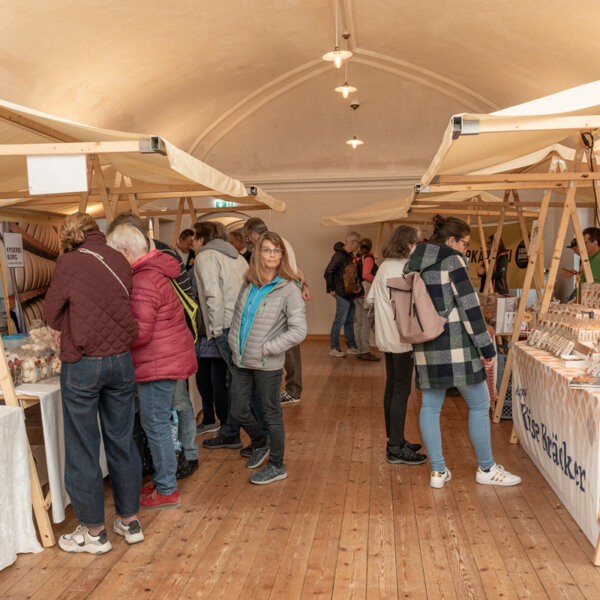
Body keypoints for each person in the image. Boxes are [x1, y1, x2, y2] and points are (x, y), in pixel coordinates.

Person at [45, 213, 143, 554]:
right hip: (121, 361)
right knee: (122, 441)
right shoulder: (118, 258)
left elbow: (50, 314)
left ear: (70, 236)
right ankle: (130, 523)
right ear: (97, 233)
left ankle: (94, 532)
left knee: (83, 447)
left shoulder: (69, 262)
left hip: (84, 363)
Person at [405, 215, 521, 489]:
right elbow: (470, 307)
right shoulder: (452, 261)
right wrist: (485, 346)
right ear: (451, 241)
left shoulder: (413, 261)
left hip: (424, 344)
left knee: (430, 407)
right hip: (456, 346)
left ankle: (437, 472)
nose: (466, 250)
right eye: (465, 244)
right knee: (480, 404)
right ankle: (486, 468)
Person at [107, 223, 197, 510]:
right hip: (164, 358)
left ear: (125, 251)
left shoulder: (143, 279)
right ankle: (163, 480)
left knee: (155, 425)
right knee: (157, 423)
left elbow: (140, 332)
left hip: (157, 362)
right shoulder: (154, 269)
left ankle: (168, 489)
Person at [229, 231, 307, 484]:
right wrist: (233, 342)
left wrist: (269, 348)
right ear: (258, 253)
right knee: (239, 410)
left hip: (266, 363)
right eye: (266, 249)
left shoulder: (289, 288)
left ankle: (277, 464)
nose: (272, 255)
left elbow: (299, 331)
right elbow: (238, 317)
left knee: (271, 413)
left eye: (276, 250)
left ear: (282, 255)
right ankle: (261, 443)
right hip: (241, 360)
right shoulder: (249, 282)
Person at [366, 226, 427, 465]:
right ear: (409, 243)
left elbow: (370, 299)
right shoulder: (403, 268)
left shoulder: (384, 266)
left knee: (392, 388)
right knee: (401, 390)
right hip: (402, 337)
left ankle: (396, 439)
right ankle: (395, 447)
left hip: (387, 336)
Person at [193, 222, 251, 450]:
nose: (193, 244)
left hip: (224, 325)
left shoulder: (205, 257)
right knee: (234, 380)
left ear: (201, 239)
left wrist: (215, 330)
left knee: (236, 382)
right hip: (240, 322)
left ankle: (238, 433)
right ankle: (233, 430)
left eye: (195, 239)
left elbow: (212, 295)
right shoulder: (236, 256)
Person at [242, 217, 311, 406]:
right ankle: (290, 388)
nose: (248, 242)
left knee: (288, 347)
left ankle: (293, 390)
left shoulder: (270, 245)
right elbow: (295, 268)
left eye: (248, 238)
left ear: (254, 234)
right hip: (285, 296)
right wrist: (303, 285)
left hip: (281, 299)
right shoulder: (281, 241)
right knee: (287, 346)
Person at [324, 232, 361, 357]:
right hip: (341, 293)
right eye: (358, 242)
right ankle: (334, 348)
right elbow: (328, 271)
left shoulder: (349, 255)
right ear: (353, 242)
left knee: (349, 321)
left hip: (350, 293)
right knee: (339, 320)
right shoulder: (339, 255)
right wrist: (331, 289)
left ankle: (351, 346)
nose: (359, 245)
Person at [354, 238, 380, 361]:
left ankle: (360, 349)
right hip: (365, 294)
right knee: (365, 323)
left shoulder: (357, 258)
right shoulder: (368, 258)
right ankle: (365, 351)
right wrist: (379, 282)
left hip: (357, 293)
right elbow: (366, 275)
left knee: (359, 322)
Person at [579, 227, 600, 292]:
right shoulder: (589, 259)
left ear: (595, 243)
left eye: (585, 243)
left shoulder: (598, 260)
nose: (581, 246)